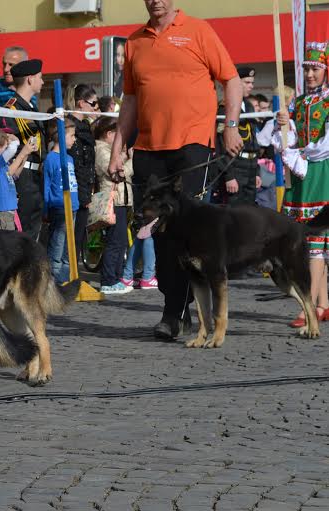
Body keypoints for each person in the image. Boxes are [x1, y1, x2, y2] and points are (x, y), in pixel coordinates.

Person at [107, 0, 244, 340]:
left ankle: (178, 313)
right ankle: (175, 308)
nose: (156, 0)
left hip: (192, 144)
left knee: (189, 232)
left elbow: (232, 80)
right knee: (158, 232)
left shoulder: (199, 30)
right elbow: (131, 101)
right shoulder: (135, 41)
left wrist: (230, 125)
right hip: (149, 150)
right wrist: (116, 149)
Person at [273, 42, 329, 328]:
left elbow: (324, 146)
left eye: (315, 69)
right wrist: (284, 123)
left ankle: (313, 305)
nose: (309, 74)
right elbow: (280, 137)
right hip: (302, 175)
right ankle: (323, 303)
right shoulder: (298, 102)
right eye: (306, 68)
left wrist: (300, 154)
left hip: (321, 173)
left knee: (317, 241)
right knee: (308, 241)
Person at [0, 58, 46, 240]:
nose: (43, 82)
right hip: (21, 176)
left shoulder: (32, 108)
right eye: (40, 77)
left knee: (34, 230)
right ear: (30, 79)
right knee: (20, 234)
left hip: (36, 178)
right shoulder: (11, 108)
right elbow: (9, 142)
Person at [94, 116, 134, 295]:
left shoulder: (112, 151)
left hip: (122, 200)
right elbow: (117, 173)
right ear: (109, 134)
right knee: (114, 242)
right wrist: (131, 159)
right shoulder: (101, 150)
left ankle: (116, 278)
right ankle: (108, 280)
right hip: (113, 201)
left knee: (121, 241)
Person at [215, 66, 260, 207]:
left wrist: (257, 171)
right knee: (234, 212)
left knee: (250, 211)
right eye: (247, 82)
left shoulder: (249, 106)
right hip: (235, 165)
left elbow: (253, 139)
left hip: (251, 166)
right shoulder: (225, 107)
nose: (251, 86)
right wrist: (229, 176)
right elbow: (221, 144)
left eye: (252, 83)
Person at [66, 84, 99, 260]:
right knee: (71, 238)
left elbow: (90, 162)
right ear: (80, 103)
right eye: (93, 103)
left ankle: (74, 272)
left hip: (86, 187)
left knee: (79, 236)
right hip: (75, 190)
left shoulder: (86, 127)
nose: (96, 108)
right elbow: (77, 164)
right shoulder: (72, 128)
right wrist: (84, 194)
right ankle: (69, 275)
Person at [43, 121, 78, 284]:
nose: (75, 139)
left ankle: (66, 276)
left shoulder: (70, 158)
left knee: (68, 245)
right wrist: (46, 207)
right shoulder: (51, 158)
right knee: (58, 242)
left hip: (73, 206)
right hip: (59, 206)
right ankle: (54, 277)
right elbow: (47, 184)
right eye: (71, 136)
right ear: (62, 138)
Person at [0, 129, 36, 230]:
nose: (8, 151)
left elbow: (15, 174)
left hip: (8, 213)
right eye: (5, 148)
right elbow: (12, 149)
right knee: (3, 245)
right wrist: (13, 140)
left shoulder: (1, 165)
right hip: (2, 214)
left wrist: (26, 154)